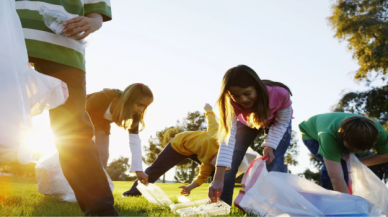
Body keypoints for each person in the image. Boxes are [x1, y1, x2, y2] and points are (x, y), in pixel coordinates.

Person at [15, 1, 117, 216]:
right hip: (12, 39)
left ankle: (102, 213)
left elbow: (95, 9)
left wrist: (94, 21)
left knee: (73, 133)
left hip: (64, 48)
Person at [208, 65, 293, 205]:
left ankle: (276, 207)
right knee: (233, 156)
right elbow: (228, 140)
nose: (243, 100)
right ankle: (221, 205)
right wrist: (217, 178)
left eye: (247, 93)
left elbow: (282, 122)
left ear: (257, 87)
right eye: (236, 96)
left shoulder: (280, 93)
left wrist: (270, 145)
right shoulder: (230, 104)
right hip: (247, 121)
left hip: (277, 122)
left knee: (274, 161)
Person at [123, 103, 219, 197]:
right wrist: (208, 109)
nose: (213, 165)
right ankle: (132, 193)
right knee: (157, 168)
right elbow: (212, 122)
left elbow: (202, 177)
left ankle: (219, 197)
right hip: (179, 144)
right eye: (216, 164)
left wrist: (189, 187)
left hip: (194, 151)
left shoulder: (208, 164)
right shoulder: (215, 138)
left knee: (218, 174)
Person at [299, 113, 388, 194]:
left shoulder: (379, 134)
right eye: (352, 146)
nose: (355, 149)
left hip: (336, 131)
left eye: (361, 148)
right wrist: (347, 204)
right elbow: (336, 177)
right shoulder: (329, 137)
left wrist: (356, 164)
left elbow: (385, 155)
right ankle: (328, 200)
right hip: (311, 133)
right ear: (342, 138)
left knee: (344, 167)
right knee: (339, 167)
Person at [86, 84, 153, 184]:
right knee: (81, 149)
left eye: (145, 106)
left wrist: (139, 171)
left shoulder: (135, 115)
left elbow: (135, 141)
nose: (141, 110)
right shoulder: (104, 96)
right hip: (78, 117)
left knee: (103, 155)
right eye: (139, 105)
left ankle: (97, 185)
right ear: (129, 99)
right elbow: (80, 111)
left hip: (102, 123)